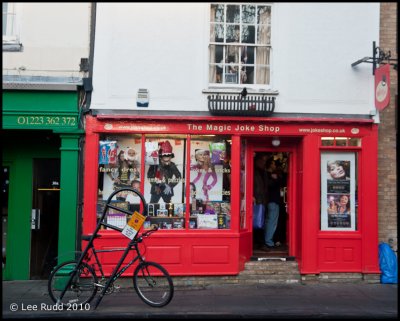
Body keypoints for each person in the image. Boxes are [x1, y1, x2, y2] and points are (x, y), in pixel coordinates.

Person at [264, 157, 282, 249]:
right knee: (272, 222)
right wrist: (275, 178)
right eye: (273, 164)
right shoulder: (270, 175)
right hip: (273, 201)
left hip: (268, 201)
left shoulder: (267, 175)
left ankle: (268, 240)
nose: (275, 166)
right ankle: (269, 242)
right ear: (270, 165)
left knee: (269, 221)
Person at [253, 153, 268, 249]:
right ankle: (258, 243)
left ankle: (260, 243)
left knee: (260, 221)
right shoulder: (253, 171)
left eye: (265, 161)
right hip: (256, 199)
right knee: (256, 221)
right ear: (257, 161)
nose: (264, 163)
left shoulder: (263, 172)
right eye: (262, 161)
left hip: (262, 200)